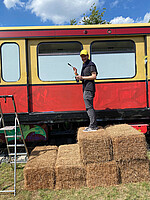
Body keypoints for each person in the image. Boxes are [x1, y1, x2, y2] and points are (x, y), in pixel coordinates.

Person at [73, 49, 98, 132]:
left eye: (84, 56)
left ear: (87, 56)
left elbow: (94, 76)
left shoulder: (91, 65)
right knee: (88, 107)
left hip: (89, 88)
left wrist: (82, 77)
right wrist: (76, 74)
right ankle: (92, 125)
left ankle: (93, 126)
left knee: (89, 108)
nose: (83, 57)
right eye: (82, 56)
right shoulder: (85, 65)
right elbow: (82, 79)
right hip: (86, 88)